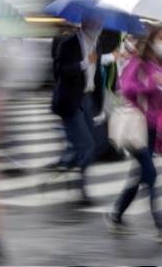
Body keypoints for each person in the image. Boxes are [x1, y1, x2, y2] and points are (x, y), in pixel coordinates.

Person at [104, 27, 162, 243]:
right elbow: (126, 87)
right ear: (151, 40)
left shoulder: (160, 65)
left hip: (151, 129)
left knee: (140, 175)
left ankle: (116, 215)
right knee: (151, 174)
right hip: (135, 126)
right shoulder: (138, 63)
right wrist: (152, 84)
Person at [49, 13, 105, 205]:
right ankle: (81, 188)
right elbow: (59, 70)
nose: (99, 26)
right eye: (96, 22)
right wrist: (83, 63)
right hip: (70, 100)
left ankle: (67, 165)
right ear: (86, 23)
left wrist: (100, 105)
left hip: (88, 99)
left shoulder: (96, 44)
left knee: (94, 145)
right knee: (86, 145)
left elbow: (97, 77)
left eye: (100, 23)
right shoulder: (68, 42)